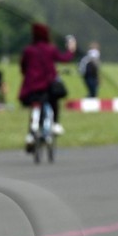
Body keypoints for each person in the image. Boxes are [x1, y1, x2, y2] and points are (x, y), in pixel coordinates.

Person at [18, 22, 76, 151]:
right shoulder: (50, 49)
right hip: (48, 85)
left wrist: (27, 75)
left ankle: (31, 134)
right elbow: (64, 59)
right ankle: (55, 123)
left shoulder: (28, 50)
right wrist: (71, 50)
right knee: (53, 101)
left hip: (32, 86)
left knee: (34, 107)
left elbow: (23, 66)